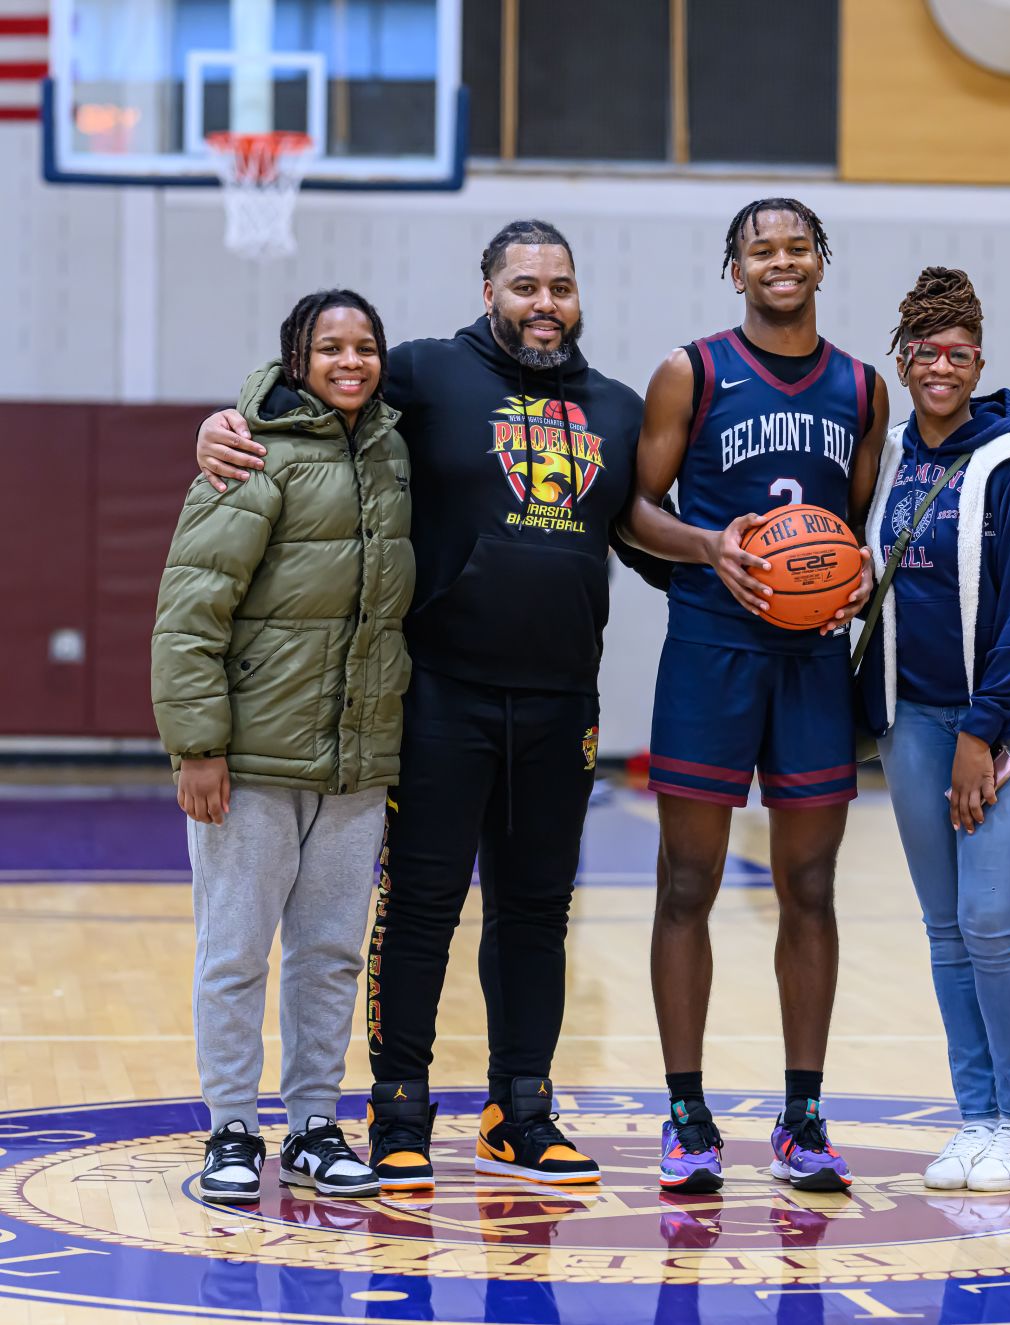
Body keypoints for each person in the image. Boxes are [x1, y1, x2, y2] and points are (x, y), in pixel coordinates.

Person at [193, 219, 670, 1190]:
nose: (545, 304)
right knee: (418, 908)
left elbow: (639, 534)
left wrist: (732, 563)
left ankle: (520, 1109)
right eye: (525, 285)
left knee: (539, 912)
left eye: (561, 287)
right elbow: (318, 388)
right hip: (439, 693)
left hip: (560, 702)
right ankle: (398, 1109)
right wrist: (228, 416)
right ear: (488, 287)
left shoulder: (617, 411)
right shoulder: (423, 375)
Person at [620, 198, 887, 1194]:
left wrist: (853, 577)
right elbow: (634, 510)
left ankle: (803, 1116)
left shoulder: (864, 387)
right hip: (711, 649)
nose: (781, 260)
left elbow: (851, 531)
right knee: (685, 885)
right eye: (760, 248)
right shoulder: (692, 369)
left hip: (811, 661)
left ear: (822, 260)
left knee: (810, 889)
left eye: (797, 245)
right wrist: (708, 545)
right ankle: (687, 1114)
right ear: (736, 269)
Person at [152, 289, 412, 1202]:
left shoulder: (392, 450)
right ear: (296, 357)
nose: (351, 361)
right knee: (235, 950)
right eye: (330, 346)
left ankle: (311, 1123)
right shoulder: (248, 455)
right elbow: (189, 612)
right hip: (252, 759)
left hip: (356, 758)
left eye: (366, 346)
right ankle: (230, 1127)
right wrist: (198, 746)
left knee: (331, 950)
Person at [859, 266, 1010, 1192]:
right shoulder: (895, 458)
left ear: (979, 360)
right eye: (925, 352)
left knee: (993, 920)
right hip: (913, 718)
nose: (940, 366)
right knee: (946, 928)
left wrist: (979, 730)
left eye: (957, 352)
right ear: (904, 361)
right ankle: (976, 1117)